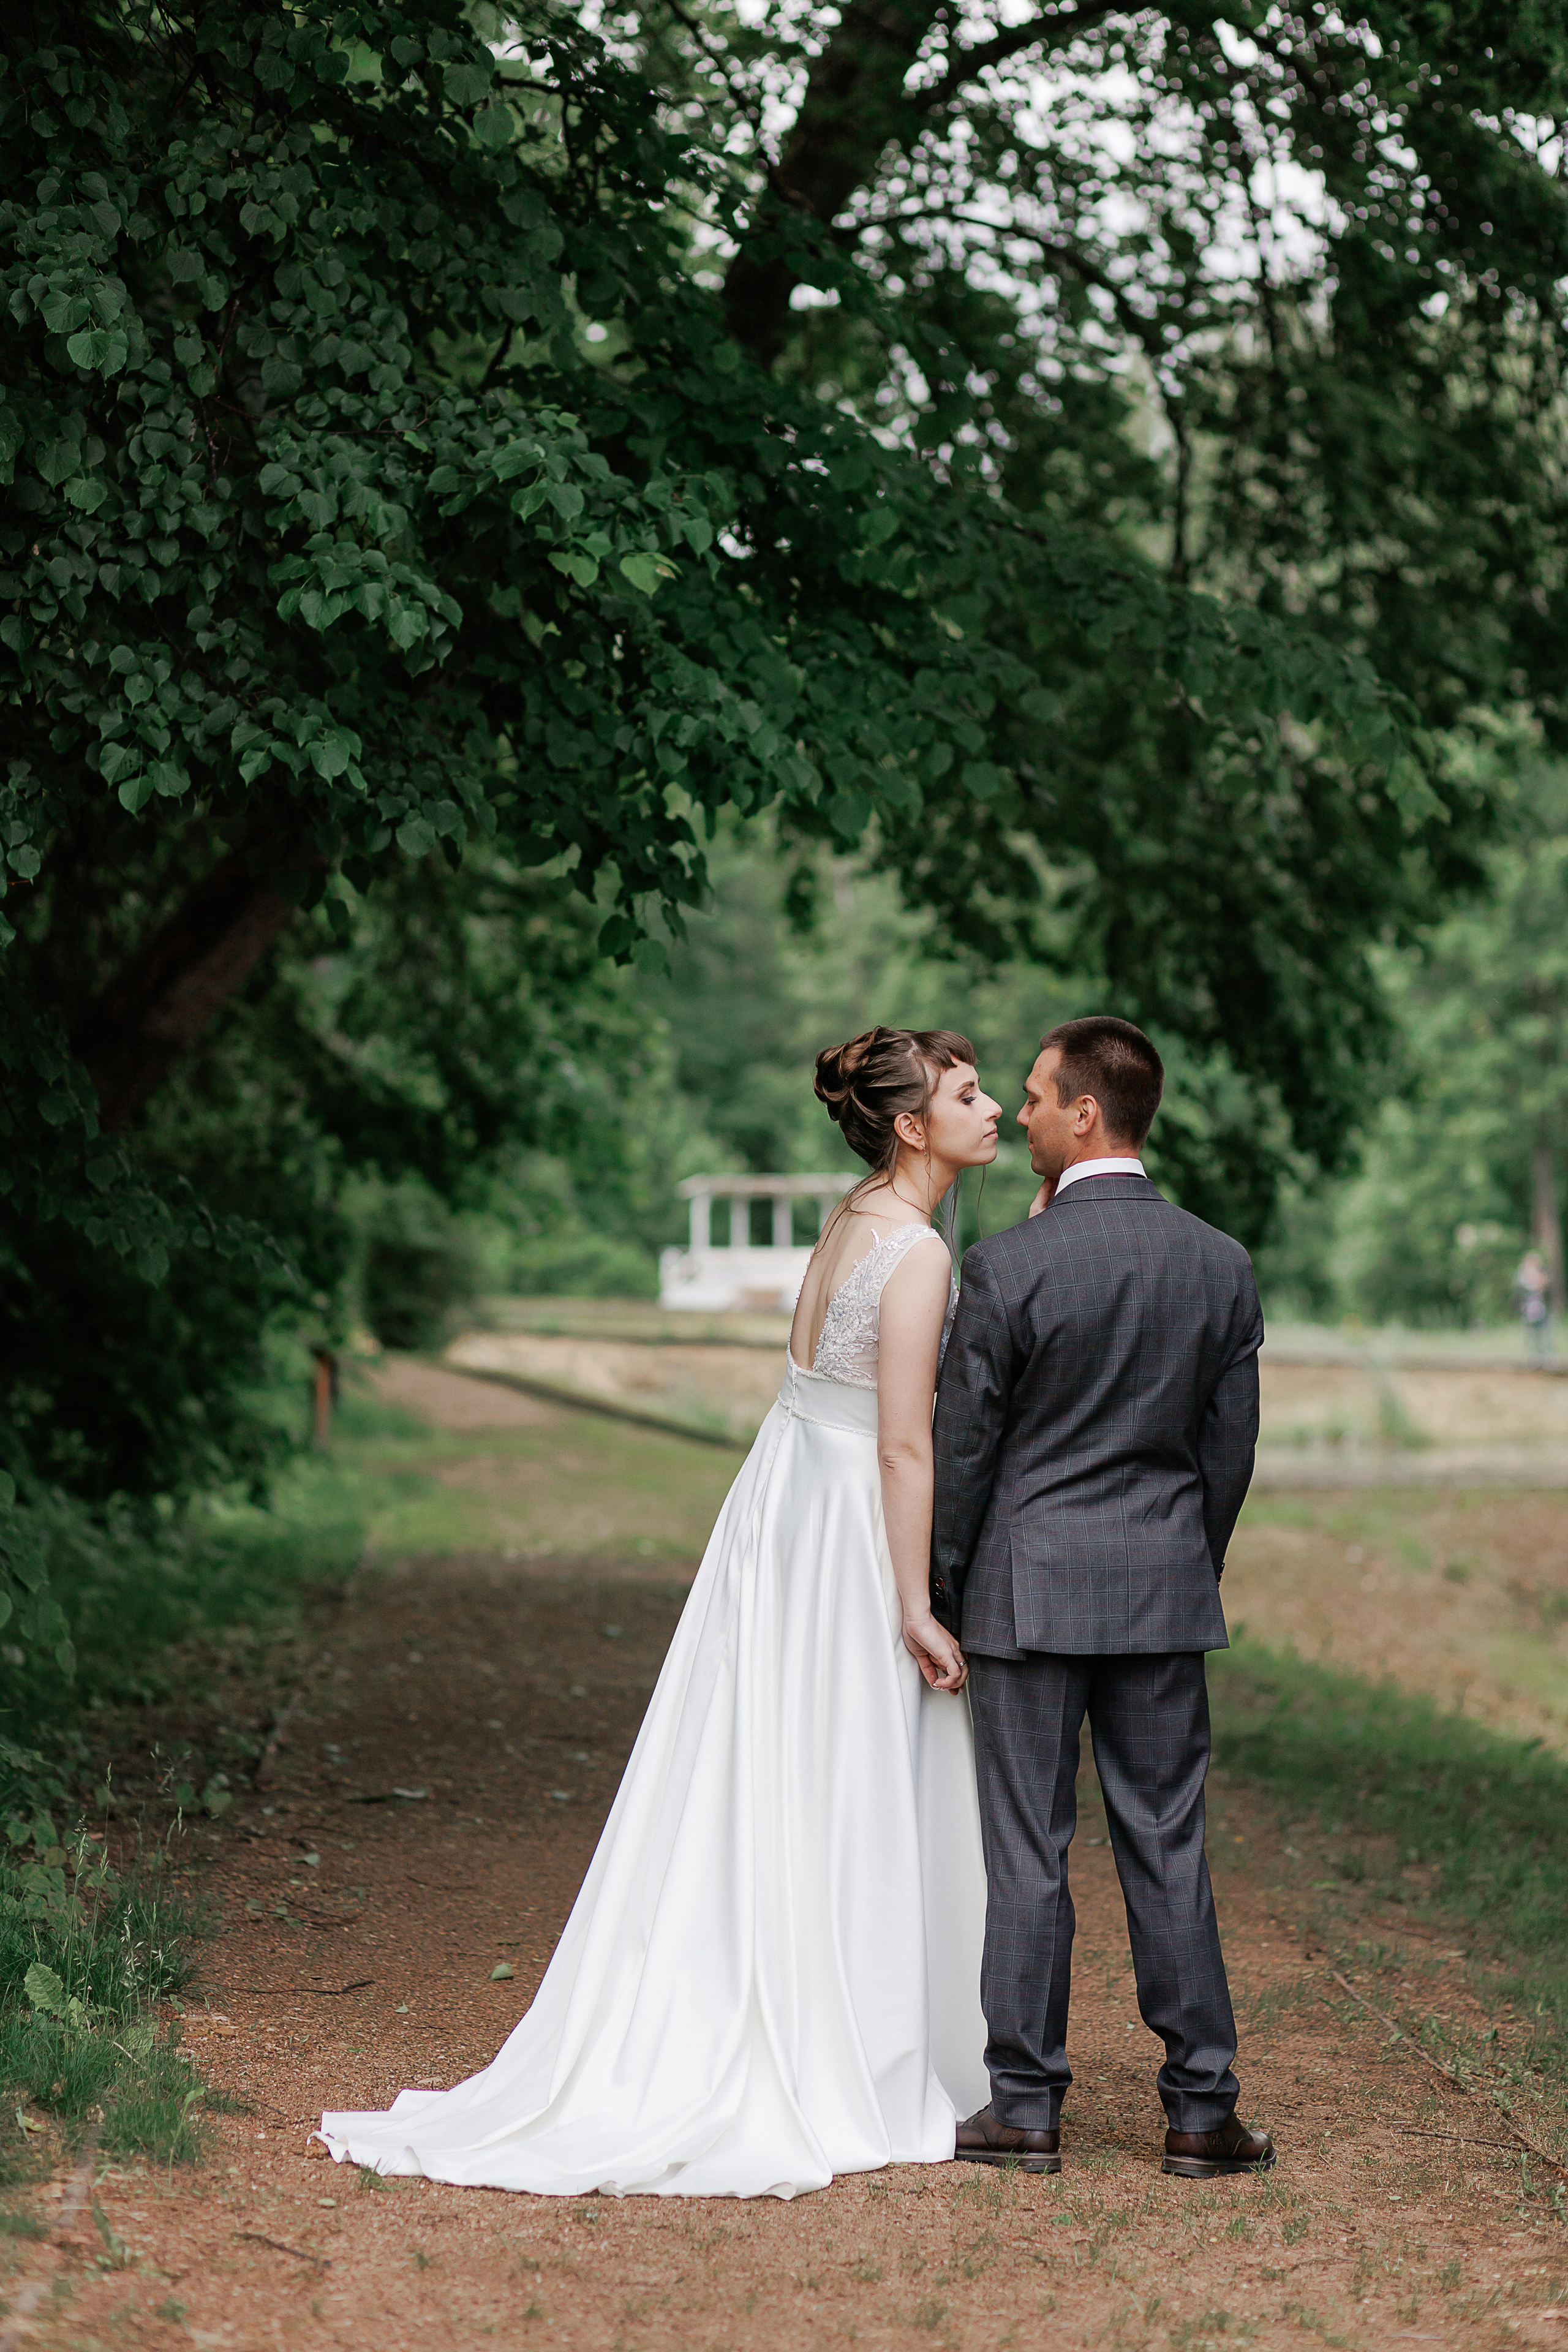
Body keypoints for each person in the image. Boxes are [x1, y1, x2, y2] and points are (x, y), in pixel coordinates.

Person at [317, 1027, 1001, 2198]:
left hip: (780, 1497)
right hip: (841, 1517)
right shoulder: (922, 1255)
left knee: (766, 1758)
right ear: (909, 1123)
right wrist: (914, 1601)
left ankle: (769, 1982)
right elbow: (900, 1443)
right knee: (840, 1763)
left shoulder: (851, 1219)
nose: (991, 1109)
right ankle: (838, 2034)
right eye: (968, 1093)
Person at [931, 1016, 1275, 2181]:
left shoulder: (1010, 1266)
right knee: (1167, 1843)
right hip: (1162, 1591)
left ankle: (1024, 2108)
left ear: (1086, 1115)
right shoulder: (1220, 1264)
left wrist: (943, 1591)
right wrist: (1187, 1565)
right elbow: (1228, 1456)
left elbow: (965, 1449)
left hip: (1023, 1596)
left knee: (1027, 1848)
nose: (1018, 1112)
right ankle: (1198, 2111)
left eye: (1033, 1095)